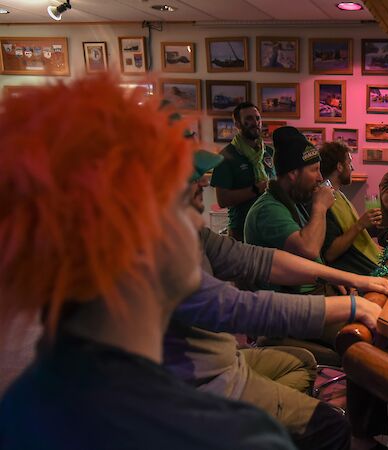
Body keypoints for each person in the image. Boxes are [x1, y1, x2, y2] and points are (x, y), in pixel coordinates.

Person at [0, 75, 293, 449]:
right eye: (182, 202)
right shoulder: (240, 437)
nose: (196, 220)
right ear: (131, 236)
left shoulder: (21, 402)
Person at [163, 151, 388, 450]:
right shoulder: (157, 251)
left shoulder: (194, 235)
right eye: (192, 186)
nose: (201, 195)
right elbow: (238, 307)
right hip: (201, 388)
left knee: (301, 365)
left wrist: (349, 279)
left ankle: (261, 432)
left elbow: (262, 260)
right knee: (332, 427)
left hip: (229, 360)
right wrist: (350, 305)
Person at [244, 126, 335, 294]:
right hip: (285, 305)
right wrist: (320, 206)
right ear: (293, 173)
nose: (320, 178)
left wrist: (333, 279)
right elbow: (309, 249)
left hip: (310, 292)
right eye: (314, 170)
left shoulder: (294, 200)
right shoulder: (268, 210)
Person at [210, 102, 275, 241]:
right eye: (249, 119)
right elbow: (223, 200)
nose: (255, 123)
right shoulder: (226, 157)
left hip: (271, 225)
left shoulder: (269, 152)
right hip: (241, 229)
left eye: (257, 118)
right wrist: (258, 188)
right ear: (238, 124)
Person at [319, 141, 383, 276]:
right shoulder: (324, 201)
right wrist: (360, 225)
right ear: (340, 167)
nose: (352, 168)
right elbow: (330, 254)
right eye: (349, 163)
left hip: (370, 263)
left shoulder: (339, 195)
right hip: (359, 272)